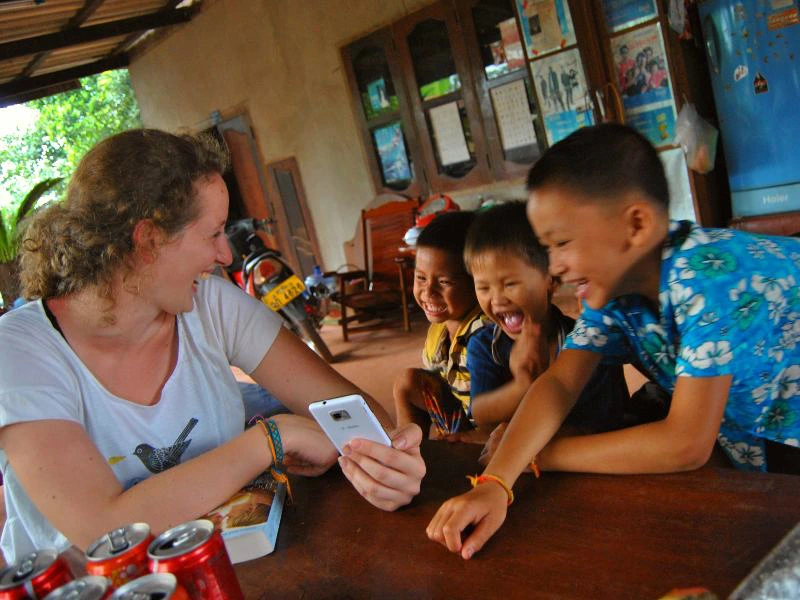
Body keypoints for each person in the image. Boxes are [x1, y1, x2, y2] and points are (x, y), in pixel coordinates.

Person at [0, 129, 425, 564]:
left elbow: (356, 416)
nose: (226, 255)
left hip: (224, 567)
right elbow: (107, 531)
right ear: (148, 240)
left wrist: (389, 464)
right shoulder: (20, 350)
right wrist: (273, 437)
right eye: (214, 233)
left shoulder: (211, 306)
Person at [426, 123, 800, 560]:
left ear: (635, 225)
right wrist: (495, 483)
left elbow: (685, 444)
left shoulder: (708, 281)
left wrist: (543, 455)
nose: (555, 266)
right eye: (547, 248)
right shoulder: (615, 288)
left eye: (562, 243)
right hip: (756, 425)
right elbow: (560, 382)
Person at [463, 201, 626, 438]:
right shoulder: (485, 345)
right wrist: (522, 386)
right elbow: (482, 416)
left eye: (510, 284)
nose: (497, 299)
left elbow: (605, 425)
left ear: (550, 279)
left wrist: (531, 440)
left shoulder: (588, 341)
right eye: (484, 288)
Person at [392, 211, 488, 438]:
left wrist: (470, 437)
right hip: (461, 412)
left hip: (493, 428)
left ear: (477, 280)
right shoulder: (439, 329)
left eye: (444, 282)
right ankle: (407, 449)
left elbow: (496, 410)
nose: (428, 292)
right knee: (407, 381)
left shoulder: (485, 335)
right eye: (421, 278)